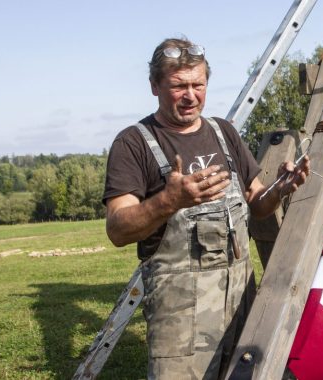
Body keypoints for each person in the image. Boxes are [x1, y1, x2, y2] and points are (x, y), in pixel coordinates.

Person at [102, 37, 310, 379]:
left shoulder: (223, 132)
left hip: (242, 309)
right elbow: (117, 229)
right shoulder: (134, 143)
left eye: (198, 84)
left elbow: (257, 203)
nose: (190, 95)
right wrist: (169, 201)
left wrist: (280, 189)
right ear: (155, 86)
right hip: (179, 324)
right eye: (178, 85)